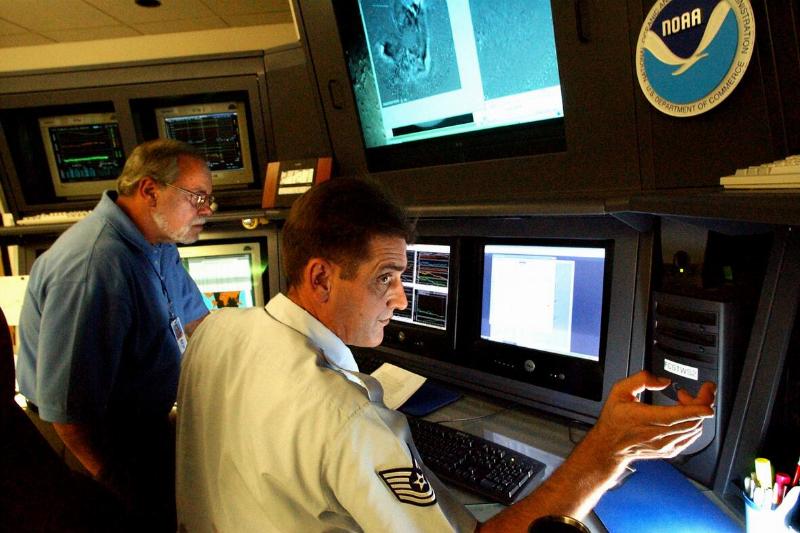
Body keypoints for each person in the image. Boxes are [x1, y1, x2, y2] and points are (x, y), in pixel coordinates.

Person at [175, 178, 716, 532]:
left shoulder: (217, 331)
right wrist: (605, 453)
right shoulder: (349, 421)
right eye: (384, 278)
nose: (401, 298)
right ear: (320, 277)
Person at [16, 138, 214, 531]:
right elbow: (68, 415)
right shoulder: (94, 267)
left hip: (140, 430)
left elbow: (199, 324)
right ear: (149, 191)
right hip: (90, 448)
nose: (207, 210)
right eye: (197, 197)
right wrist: (116, 484)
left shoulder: (156, 244)